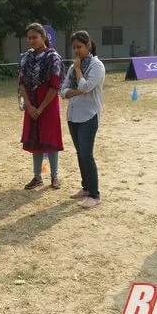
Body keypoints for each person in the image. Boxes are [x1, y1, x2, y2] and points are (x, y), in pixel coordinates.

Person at [60, 31, 105, 208]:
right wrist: (77, 89)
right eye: (74, 48)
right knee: (80, 154)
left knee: (87, 154)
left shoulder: (96, 66)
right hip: (73, 116)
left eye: (79, 47)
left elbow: (86, 86)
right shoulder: (72, 67)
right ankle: (85, 187)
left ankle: (95, 194)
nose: (76, 51)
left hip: (89, 115)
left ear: (88, 45)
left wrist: (79, 70)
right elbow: (63, 90)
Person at [18, 23, 64, 190]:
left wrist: (41, 107)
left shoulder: (53, 58)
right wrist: (30, 106)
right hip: (31, 105)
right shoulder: (26, 58)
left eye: (34, 37)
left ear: (43, 37)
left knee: (51, 139)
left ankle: (54, 176)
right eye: (29, 38)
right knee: (35, 141)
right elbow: (21, 83)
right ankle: (37, 177)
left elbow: (55, 85)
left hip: (48, 106)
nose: (31, 41)